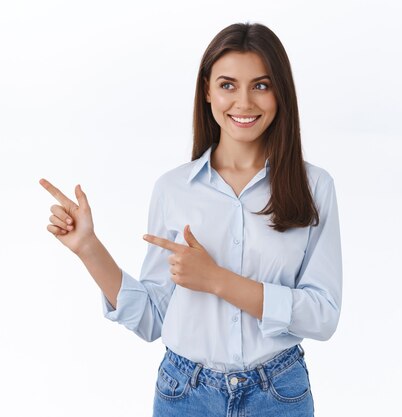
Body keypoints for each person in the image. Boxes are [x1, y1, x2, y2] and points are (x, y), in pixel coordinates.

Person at [39, 22, 342, 417]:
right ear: (207, 91)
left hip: (278, 393)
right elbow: (152, 319)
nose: (244, 102)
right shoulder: (173, 189)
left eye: (261, 85)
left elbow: (322, 316)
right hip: (186, 394)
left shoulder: (314, 186)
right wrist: (88, 248)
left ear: (281, 92)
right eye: (228, 85)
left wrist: (217, 280)